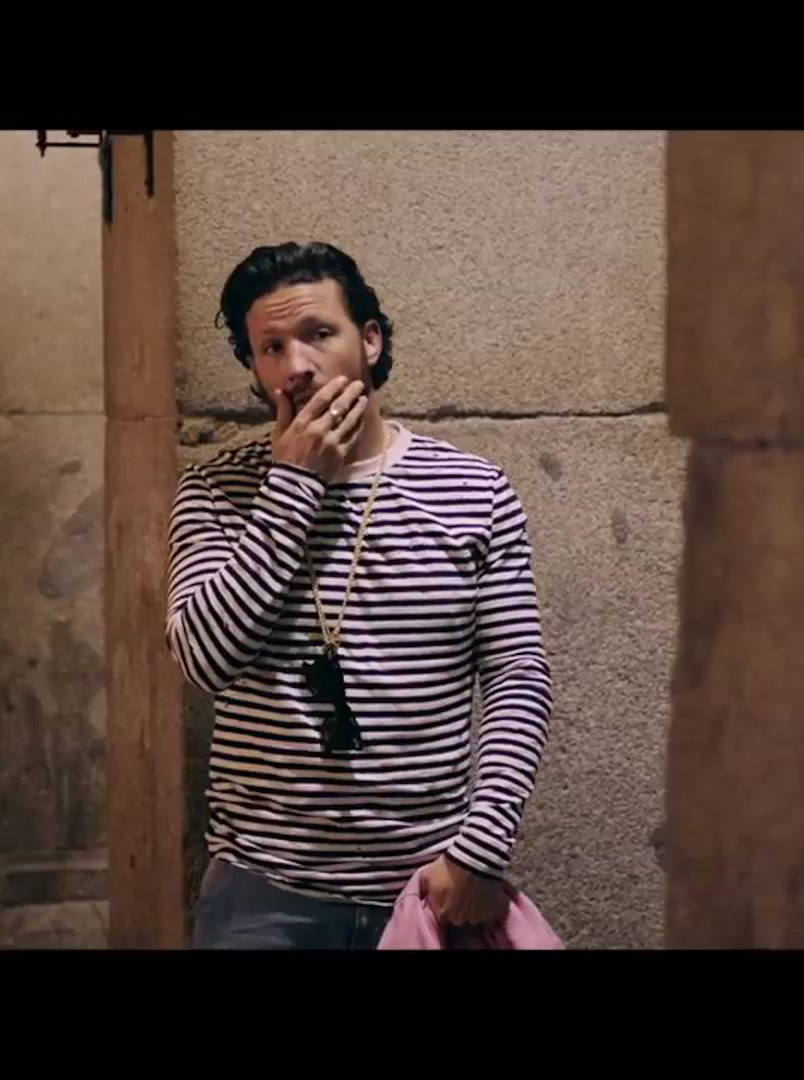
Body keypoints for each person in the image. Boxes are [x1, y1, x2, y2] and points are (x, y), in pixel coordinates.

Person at [165, 240, 555, 950]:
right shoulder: (217, 491)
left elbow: (516, 675)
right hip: (264, 892)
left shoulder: (472, 490)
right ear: (254, 369)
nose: (297, 365)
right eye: (271, 348)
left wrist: (480, 850)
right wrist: (293, 484)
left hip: (431, 887)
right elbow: (204, 661)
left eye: (319, 334)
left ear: (369, 340)